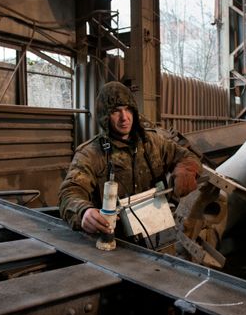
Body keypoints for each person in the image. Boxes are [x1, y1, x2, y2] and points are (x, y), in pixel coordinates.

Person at [58, 81, 202, 238]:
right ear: (105, 116)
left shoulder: (153, 142)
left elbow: (187, 156)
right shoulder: (91, 153)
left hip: (159, 234)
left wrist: (186, 170)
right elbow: (70, 192)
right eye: (116, 111)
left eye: (128, 109)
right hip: (117, 240)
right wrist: (83, 211)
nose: (124, 118)